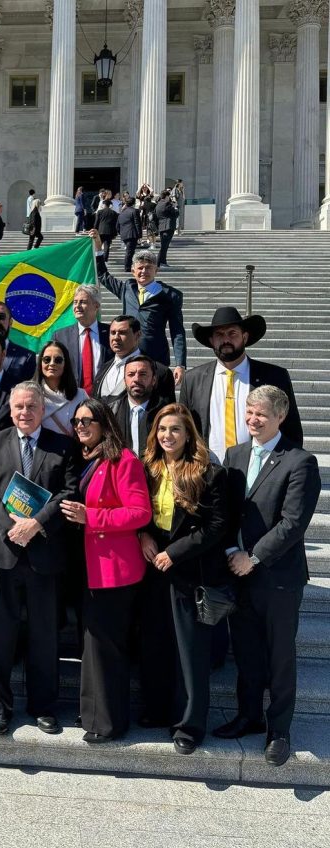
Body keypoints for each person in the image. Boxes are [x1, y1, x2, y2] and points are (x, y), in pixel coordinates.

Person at [213, 386, 321, 767]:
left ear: (280, 415)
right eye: (249, 411)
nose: (252, 419)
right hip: (238, 571)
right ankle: (248, 716)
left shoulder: (299, 461)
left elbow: (292, 524)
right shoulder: (235, 455)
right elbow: (225, 511)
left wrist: (253, 557)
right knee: (245, 651)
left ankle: (279, 730)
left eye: (261, 414)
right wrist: (230, 551)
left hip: (277, 577)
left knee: (278, 655)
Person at [0, 381, 80, 737]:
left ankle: (44, 707)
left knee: (44, 636)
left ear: (42, 410)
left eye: (31, 407)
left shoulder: (62, 446)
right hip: (1, 555)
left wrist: (36, 524)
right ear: (11, 408)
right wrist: (11, 527)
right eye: (18, 407)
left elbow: (68, 491)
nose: (24, 413)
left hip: (44, 556)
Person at [59, 399, 151, 742]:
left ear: (104, 422)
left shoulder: (123, 460)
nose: (81, 426)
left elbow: (139, 512)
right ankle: (92, 714)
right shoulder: (85, 459)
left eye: (88, 420)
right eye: (76, 421)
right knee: (91, 644)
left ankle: (109, 723)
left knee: (107, 647)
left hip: (114, 570)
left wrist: (92, 517)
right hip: (87, 568)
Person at [138, 404, 229, 754]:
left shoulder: (208, 473)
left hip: (188, 569)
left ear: (189, 433)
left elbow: (217, 526)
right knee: (156, 643)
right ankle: (158, 710)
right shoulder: (150, 468)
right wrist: (143, 536)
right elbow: (142, 511)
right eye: (162, 430)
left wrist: (174, 552)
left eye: (175, 429)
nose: (168, 436)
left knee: (189, 651)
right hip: (152, 567)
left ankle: (189, 725)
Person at [179, 307, 303, 462]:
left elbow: (291, 429)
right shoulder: (193, 380)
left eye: (232, 333)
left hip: (259, 469)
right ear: (211, 341)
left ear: (244, 337)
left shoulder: (274, 376)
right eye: (219, 334)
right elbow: (184, 427)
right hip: (208, 470)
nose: (226, 340)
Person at [89, 235, 187, 383]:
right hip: (128, 359)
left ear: (156, 270)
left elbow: (177, 331)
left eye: (149, 268)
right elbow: (103, 275)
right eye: (140, 268)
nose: (144, 271)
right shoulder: (127, 288)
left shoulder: (170, 296)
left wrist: (180, 364)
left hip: (156, 359)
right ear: (133, 271)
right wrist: (98, 249)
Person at [93, 315, 176, 404]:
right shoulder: (103, 369)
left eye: (122, 332)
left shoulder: (159, 372)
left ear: (137, 335)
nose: (116, 338)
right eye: (113, 333)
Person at [51, 285, 112, 392]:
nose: (77, 306)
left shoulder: (111, 333)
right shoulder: (60, 336)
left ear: (96, 306)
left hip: (103, 398)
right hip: (70, 397)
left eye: (83, 302)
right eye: (75, 302)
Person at [110, 355, 173, 456]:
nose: (136, 379)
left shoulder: (167, 412)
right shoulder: (112, 411)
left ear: (154, 380)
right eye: (131, 374)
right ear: (124, 380)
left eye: (143, 374)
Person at [34, 340, 88, 436]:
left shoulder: (80, 396)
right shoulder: (31, 395)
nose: (52, 363)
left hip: (71, 450)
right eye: (47, 359)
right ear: (40, 363)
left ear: (65, 364)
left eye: (58, 360)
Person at [116, 197, 142, 272]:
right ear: (133, 203)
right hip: (132, 233)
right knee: (130, 251)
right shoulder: (134, 211)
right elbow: (137, 223)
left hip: (124, 234)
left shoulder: (122, 213)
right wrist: (139, 235)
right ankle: (127, 267)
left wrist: (120, 232)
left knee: (130, 251)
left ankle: (130, 265)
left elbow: (117, 225)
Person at [154, 190, 179, 268]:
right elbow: (175, 214)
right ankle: (158, 263)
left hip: (161, 227)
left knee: (164, 246)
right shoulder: (167, 204)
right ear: (167, 196)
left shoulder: (158, 205)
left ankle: (163, 262)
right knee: (164, 246)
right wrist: (176, 207)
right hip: (168, 227)